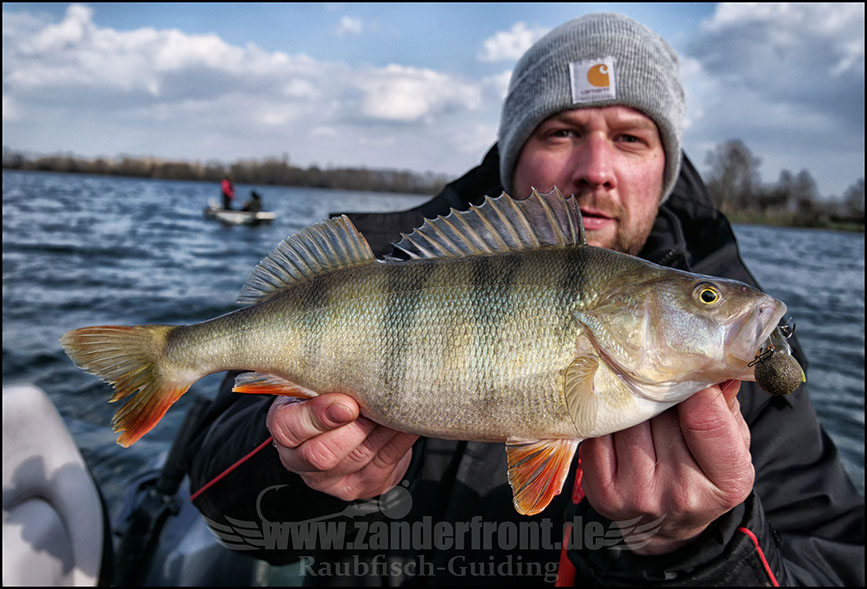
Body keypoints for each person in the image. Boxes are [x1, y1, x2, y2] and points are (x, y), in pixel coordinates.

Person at [184, 13, 864, 585]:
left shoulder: (736, 363)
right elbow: (217, 500)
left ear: (665, 167)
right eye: (561, 131)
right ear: (513, 151)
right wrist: (296, 463)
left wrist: (700, 548)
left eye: (630, 137)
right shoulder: (374, 259)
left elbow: (834, 559)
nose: (594, 168)